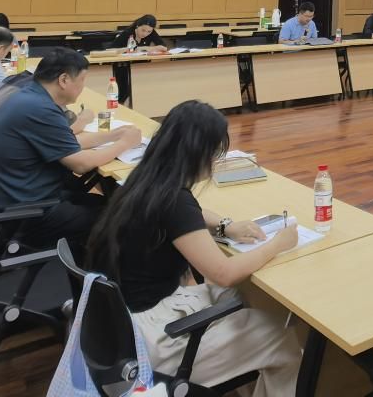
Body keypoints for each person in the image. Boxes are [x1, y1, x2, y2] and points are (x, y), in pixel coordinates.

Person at [89, 101, 301, 396]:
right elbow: (224, 272)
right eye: (215, 152)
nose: (216, 160)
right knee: (280, 335)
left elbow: (190, 216)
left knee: (233, 296)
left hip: (121, 323)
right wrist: (278, 243)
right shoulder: (175, 200)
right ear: (199, 153)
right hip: (154, 342)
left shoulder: (148, 178)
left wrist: (225, 226)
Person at [0, 49, 141, 250]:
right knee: (118, 216)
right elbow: (81, 164)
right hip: (17, 211)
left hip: (8, 195)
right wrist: (124, 144)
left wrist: (113, 135)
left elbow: (66, 141)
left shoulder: (30, 96)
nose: (83, 87)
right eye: (82, 80)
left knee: (105, 203)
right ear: (64, 80)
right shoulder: (40, 108)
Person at [0, 65, 95, 175]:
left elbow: (58, 137)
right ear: (63, 80)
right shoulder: (34, 101)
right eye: (81, 80)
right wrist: (82, 121)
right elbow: (64, 141)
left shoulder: (17, 83)